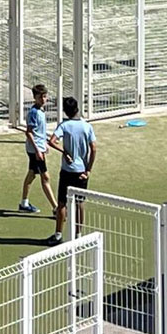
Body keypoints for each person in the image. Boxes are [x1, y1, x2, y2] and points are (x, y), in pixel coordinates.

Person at [46, 96, 97, 246]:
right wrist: (88, 170)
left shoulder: (64, 126)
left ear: (65, 111)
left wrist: (65, 152)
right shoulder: (87, 126)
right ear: (77, 109)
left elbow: (52, 141)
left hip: (67, 171)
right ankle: (79, 235)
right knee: (80, 203)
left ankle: (58, 235)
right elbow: (94, 148)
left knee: (62, 203)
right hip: (81, 171)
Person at [19, 83, 58, 216]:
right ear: (35, 97)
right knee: (45, 177)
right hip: (34, 151)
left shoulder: (41, 111)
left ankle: (24, 203)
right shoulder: (33, 113)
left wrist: (44, 144)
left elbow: (38, 132)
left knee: (31, 175)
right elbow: (29, 132)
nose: (43, 99)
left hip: (38, 149)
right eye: (40, 97)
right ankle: (56, 209)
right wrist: (37, 150)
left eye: (45, 97)